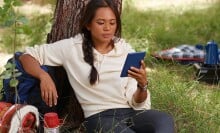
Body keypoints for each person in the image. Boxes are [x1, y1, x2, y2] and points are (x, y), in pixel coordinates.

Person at [19, 0, 174, 132]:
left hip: (130, 112)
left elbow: (137, 103)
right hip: (99, 117)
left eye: (112, 23)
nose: (107, 28)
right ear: (88, 24)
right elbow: (27, 56)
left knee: (164, 120)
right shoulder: (72, 48)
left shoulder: (124, 49)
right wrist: (43, 76)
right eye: (101, 23)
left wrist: (142, 85)